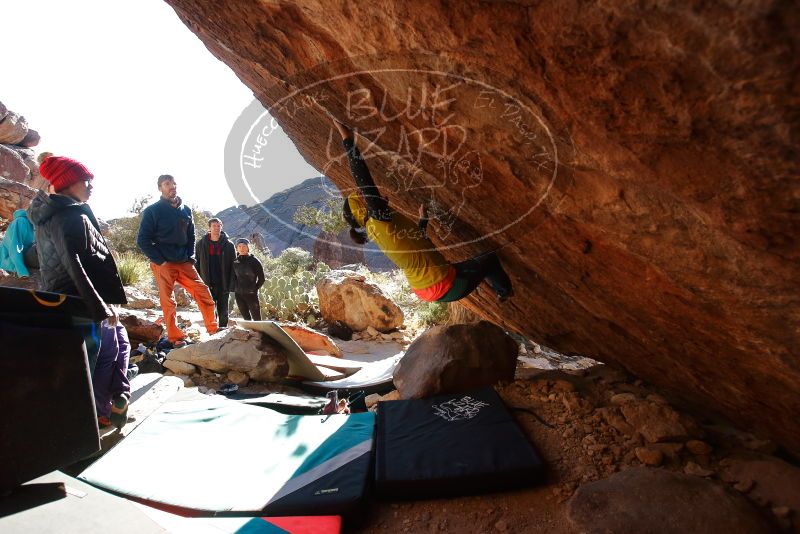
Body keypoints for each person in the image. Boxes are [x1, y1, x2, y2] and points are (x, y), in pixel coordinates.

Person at [334, 119, 513, 303]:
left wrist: (422, 220)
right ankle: (504, 292)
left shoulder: (379, 229)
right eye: (363, 198)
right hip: (443, 284)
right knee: (489, 259)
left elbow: (415, 243)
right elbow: (364, 179)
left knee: (476, 268)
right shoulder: (378, 220)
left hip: (430, 286)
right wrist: (347, 138)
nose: (367, 196)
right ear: (363, 208)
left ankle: (496, 287)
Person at [28, 154, 127, 373]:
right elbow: (75, 265)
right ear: (66, 182)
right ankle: (95, 407)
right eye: (85, 180)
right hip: (79, 305)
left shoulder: (52, 215)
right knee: (86, 371)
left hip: (62, 301)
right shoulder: (69, 216)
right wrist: (101, 306)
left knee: (72, 369)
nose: (91, 186)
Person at [136, 174, 218, 347]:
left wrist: (190, 258)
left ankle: (213, 331)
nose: (172, 186)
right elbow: (142, 240)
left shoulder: (186, 210)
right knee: (168, 301)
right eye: (167, 184)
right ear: (160, 188)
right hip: (163, 263)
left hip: (184, 262)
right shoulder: (153, 211)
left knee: (203, 293)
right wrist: (160, 260)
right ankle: (175, 338)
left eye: (173, 183)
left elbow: (191, 235)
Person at [195, 218, 235, 327]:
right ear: (209, 228)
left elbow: (233, 266)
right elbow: (196, 264)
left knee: (223, 310)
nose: (216, 228)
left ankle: (223, 330)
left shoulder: (229, 245)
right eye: (214, 226)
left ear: (221, 227)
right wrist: (198, 282)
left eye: (218, 226)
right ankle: (212, 330)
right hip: (207, 283)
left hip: (223, 283)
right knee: (210, 309)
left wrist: (231, 283)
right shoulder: (201, 244)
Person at [93, 321, 131, 429]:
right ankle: (121, 391)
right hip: (108, 312)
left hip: (82, 313)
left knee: (103, 362)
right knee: (122, 346)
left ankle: (104, 411)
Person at [231, 238, 265, 320]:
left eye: (244, 246)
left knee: (257, 318)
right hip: (239, 294)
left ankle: (259, 332)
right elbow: (233, 277)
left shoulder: (254, 261)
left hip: (251, 294)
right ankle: (250, 332)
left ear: (248, 247)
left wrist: (254, 289)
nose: (241, 248)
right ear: (236, 248)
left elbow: (262, 278)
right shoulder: (235, 262)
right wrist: (236, 288)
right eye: (239, 246)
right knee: (246, 318)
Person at [0, 209, 35, 277]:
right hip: (10, 262)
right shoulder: (21, 222)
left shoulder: (29, 223)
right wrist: (22, 271)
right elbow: (15, 247)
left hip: (15, 260)